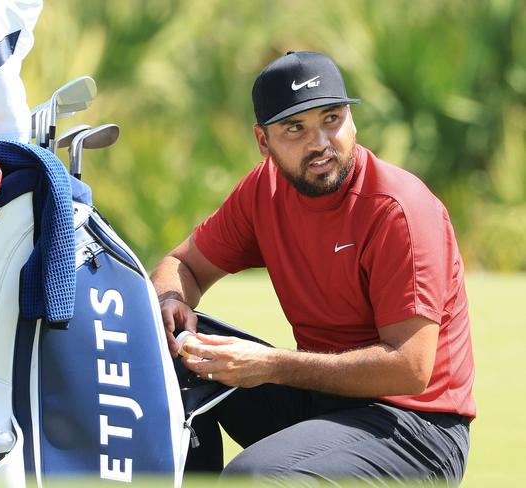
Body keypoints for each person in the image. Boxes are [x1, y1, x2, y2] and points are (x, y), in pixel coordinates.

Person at [150, 51, 474, 485]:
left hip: (416, 430)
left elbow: (408, 368)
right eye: (295, 128)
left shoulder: (397, 209)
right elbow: (181, 264)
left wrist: (272, 365)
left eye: (332, 118)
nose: (320, 142)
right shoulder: (262, 191)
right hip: (322, 399)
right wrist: (172, 300)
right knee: (175, 354)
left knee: (251, 478)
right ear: (263, 142)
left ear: (352, 121)